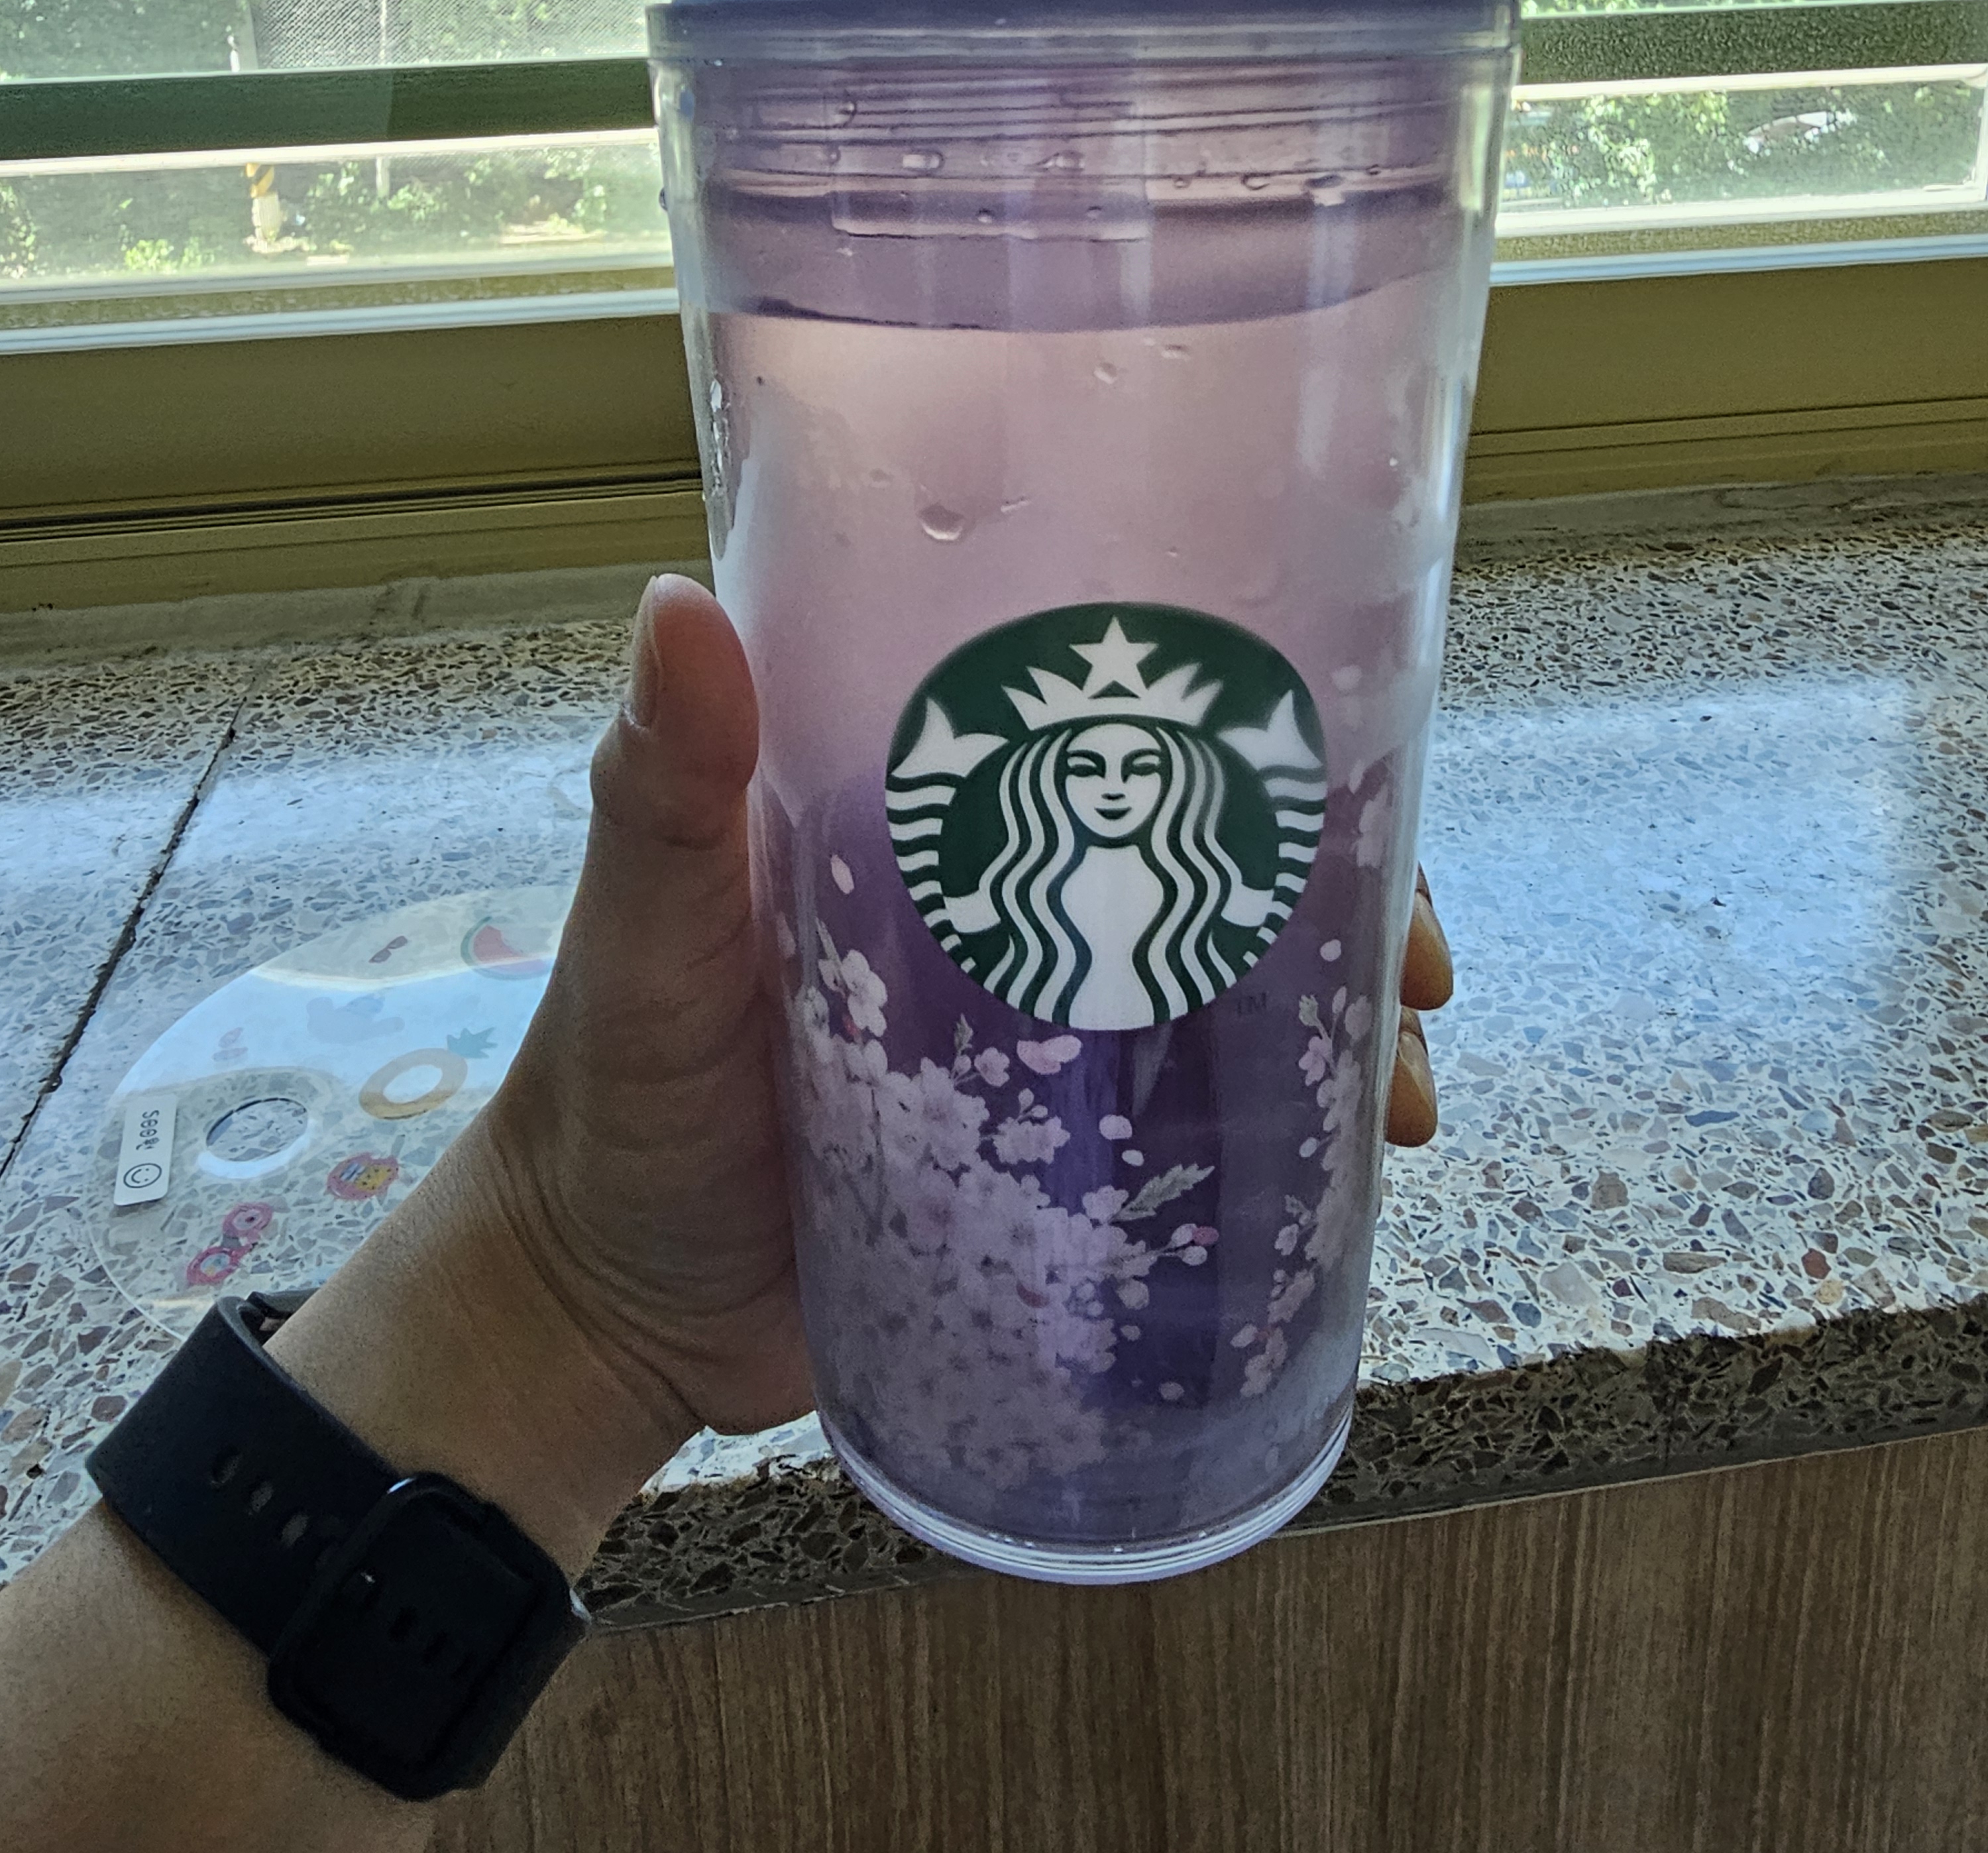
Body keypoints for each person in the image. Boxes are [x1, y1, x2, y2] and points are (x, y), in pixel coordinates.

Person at [0, 577, 1454, 1852]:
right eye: (1086, 757)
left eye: (1149, 760)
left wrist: (561, 1296)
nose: (1117, 783)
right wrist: (566, 1282)